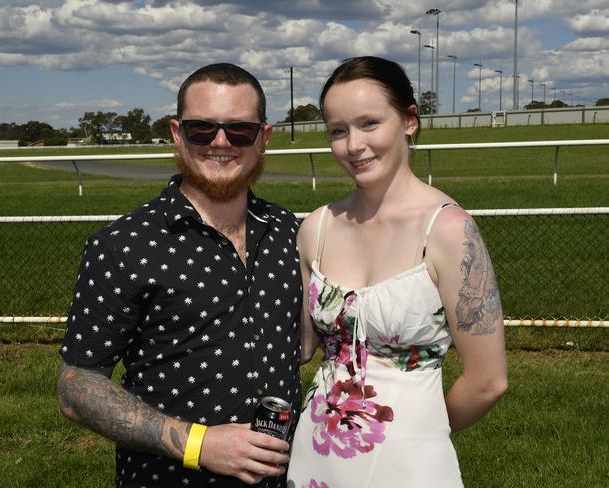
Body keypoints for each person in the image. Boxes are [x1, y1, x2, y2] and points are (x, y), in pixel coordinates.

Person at [57, 63, 302, 487]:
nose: (220, 143)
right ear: (176, 133)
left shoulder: (290, 233)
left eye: (239, 130)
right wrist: (199, 445)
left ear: (264, 138)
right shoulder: (124, 244)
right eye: (201, 129)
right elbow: (77, 387)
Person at [287, 56, 508, 487]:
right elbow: (301, 348)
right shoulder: (317, 229)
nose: (353, 145)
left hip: (411, 462)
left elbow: (488, 381)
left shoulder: (449, 231)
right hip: (316, 454)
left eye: (369, 123)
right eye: (338, 130)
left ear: (409, 120)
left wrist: (419, 430)